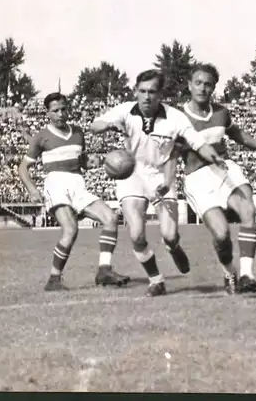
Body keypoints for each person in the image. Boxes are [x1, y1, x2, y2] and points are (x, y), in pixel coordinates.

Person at [90, 69, 225, 297]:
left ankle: (174, 247)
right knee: (136, 235)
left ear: (160, 94)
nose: (146, 97)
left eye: (152, 92)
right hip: (131, 175)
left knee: (169, 235)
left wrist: (215, 156)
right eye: (142, 91)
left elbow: (198, 143)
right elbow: (96, 124)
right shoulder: (124, 110)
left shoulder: (175, 118)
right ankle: (156, 280)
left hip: (162, 177)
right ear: (135, 91)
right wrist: (107, 126)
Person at [169, 64, 256, 294]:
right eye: (198, 83)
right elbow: (173, 156)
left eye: (208, 84)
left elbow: (238, 135)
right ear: (189, 85)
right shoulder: (178, 119)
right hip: (197, 179)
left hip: (223, 170)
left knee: (248, 209)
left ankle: (247, 275)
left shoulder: (221, 113)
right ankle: (230, 272)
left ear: (214, 87)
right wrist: (167, 186)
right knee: (222, 235)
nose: (202, 88)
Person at [18, 92, 130, 291]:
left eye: (63, 109)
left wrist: (95, 162)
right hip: (56, 184)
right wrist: (32, 189)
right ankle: (54, 279)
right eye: (55, 111)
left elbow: (82, 161)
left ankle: (104, 271)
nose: (61, 114)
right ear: (48, 113)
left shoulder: (78, 133)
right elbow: (22, 168)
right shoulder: (41, 137)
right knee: (70, 229)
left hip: (78, 184)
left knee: (111, 218)